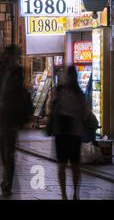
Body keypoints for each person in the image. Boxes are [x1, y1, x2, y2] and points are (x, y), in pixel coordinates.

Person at [48, 66, 90, 200]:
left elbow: (84, 113)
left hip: (72, 132)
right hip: (63, 131)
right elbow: (51, 106)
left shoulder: (78, 94)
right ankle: (65, 194)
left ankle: (74, 193)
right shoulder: (61, 91)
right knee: (64, 165)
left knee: (74, 165)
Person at [0, 46, 33, 197]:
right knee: (4, 154)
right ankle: (7, 179)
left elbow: (18, 96)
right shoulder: (4, 72)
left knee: (8, 153)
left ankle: (8, 182)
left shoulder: (17, 74)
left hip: (11, 118)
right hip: (2, 116)